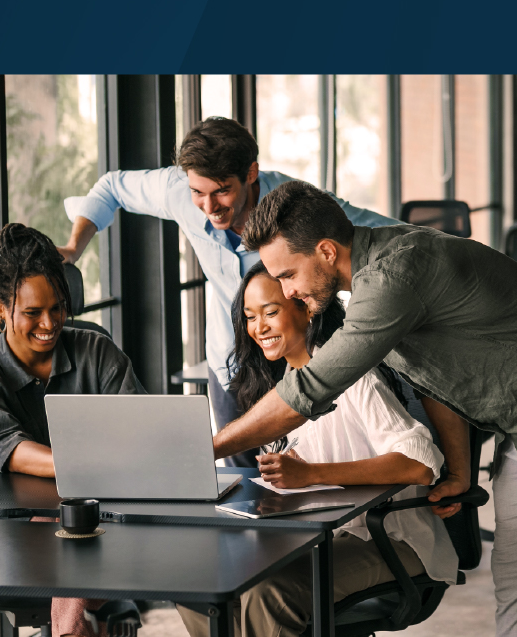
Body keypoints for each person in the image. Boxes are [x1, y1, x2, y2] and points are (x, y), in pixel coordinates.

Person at [209, 180, 517, 637]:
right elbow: (434, 378)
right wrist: (459, 470)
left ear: (327, 252)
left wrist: (207, 448)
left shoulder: (392, 278)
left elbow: (308, 390)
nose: (287, 290)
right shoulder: (375, 277)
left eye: (288, 275)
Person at [56, 116, 397, 462]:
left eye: (222, 191)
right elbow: (111, 187)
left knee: (313, 465)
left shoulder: (299, 210)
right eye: (198, 193)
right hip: (233, 365)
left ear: (251, 173)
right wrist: (73, 248)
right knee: (242, 480)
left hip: (302, 358)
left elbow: (391, 239)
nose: (209, 207)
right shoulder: (178, 191)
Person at [176, 263, 458, 637]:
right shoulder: (279, 392)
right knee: (198, 583)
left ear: (307, 309)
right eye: (250, 317)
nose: (259, 327)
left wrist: (310, 474)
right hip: (319, 538)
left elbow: (419, 462)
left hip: (389, 539)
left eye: (270, 312)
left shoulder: (354, 376)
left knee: (268, 591)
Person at [0, 223, 145, 637]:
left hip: (101, 521)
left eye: (58, 308)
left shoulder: (97, 352)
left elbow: (142, 432)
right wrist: (94, 464)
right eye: (32, 312)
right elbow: (7, 448)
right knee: (74, 554)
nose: (50, 322)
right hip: (13, 532)